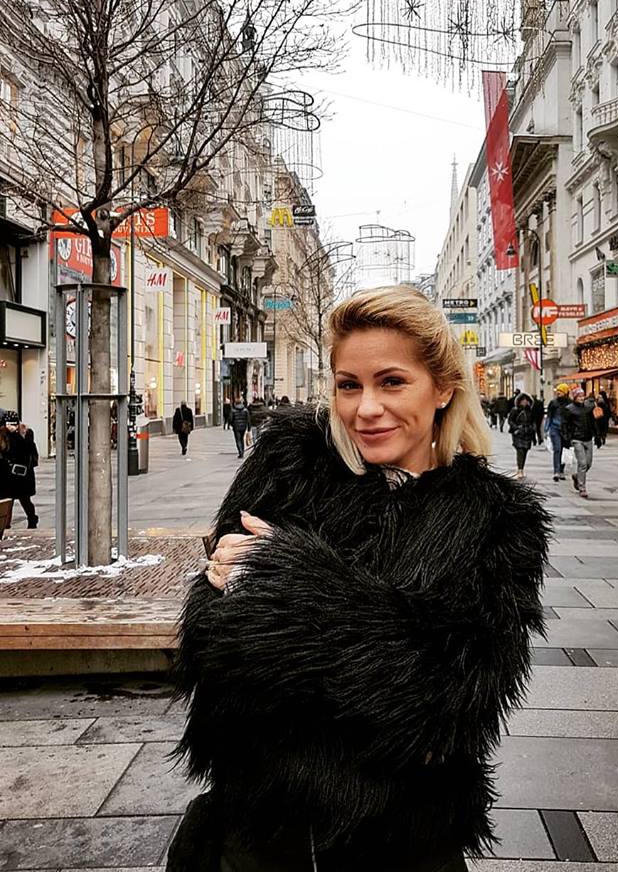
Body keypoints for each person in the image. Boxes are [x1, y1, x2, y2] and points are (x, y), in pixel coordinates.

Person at [168, 285, 549, 872]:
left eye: (391, 382)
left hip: (407, 845)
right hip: (259, 835)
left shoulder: (495, 516)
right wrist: (380, 650)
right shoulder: (289, 465)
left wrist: (297, 586)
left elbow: (453, 704)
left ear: (443, 387)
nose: (366, 408)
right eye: (349, 385)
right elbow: (209, 653)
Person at [0, 411, 39, 529]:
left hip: (23, 474)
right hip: (7, 473)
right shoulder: (2, 434)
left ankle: (32, 520)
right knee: (7, 501)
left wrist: (16, 434)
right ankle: (5, 524)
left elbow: (26, 450)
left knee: (25, 500)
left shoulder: (26, 433)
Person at [564, 387, 599, 499]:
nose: (581, 398)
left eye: (582, 396)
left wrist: (597, 436)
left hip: (588, 438)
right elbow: (566, 424)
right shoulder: (570, 409)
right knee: (582, 463)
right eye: (579, 396)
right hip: (577, 438)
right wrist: (567, 438)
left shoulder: (588, 408)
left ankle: (577, 476)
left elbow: (593, 422)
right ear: (574, 397)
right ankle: (582, 487)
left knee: (588, 463)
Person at [544, 383, 572, 482]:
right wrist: (546, 429)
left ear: (565, 392)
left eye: (560, 391)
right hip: (555, 428)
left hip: (566, 430)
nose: (558, 392)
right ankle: (556, 471)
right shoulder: (553, 403)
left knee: (564, 450)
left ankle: (561, 470)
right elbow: (549, 416)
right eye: (557, 391)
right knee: (557, 449)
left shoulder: (570, 403)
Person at [508, 392, 537, 478]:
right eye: (523, 400)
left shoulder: (530, 411)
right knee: (520, 450)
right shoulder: (515, 410)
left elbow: (533, 421)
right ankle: (519, 469)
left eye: (526, 400)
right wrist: (516, 428)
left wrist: (533, 431)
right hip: (518, 433)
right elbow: (510, 420)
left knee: (525, 451)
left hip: (527, 433)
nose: (525, 402)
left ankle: (521, 468)